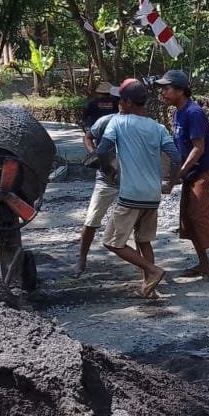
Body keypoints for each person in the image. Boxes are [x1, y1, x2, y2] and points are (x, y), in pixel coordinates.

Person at [93, 81, 180, 298]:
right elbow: (176, 157)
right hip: (152, 195)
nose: (119, 104)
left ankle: (153, 270)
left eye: (121, 100)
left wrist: (110, 171)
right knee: (143, 240)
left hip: (130, 195)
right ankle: (149, 288)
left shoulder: (118, 122)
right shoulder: (158, 128)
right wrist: (170, 182)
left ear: (129, 102)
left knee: (112, 242)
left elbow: (102, 151)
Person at [157, 70, 209, 279]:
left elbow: (198, 148)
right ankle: (204, 263)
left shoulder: (193, 112)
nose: (162, 93)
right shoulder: (177, 113)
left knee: (199, 214)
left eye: (166, 88)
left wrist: (180, 173)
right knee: (188, 217)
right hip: (191, 172)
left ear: (180, 90)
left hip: (203, 171)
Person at [71, 81, 124, 278]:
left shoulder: (138, 123)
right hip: (106, 176)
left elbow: (85, 127)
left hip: (128, 176)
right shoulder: (105, 118)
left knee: (136, 220)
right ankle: (82, 258)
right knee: (92, 219)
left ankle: (143, 265)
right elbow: (88, 134)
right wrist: (95, 154)